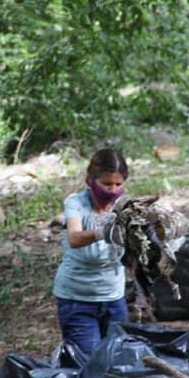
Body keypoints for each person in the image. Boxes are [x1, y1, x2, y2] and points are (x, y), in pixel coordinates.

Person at [53, 148, 130, 356]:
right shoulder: (76, 203)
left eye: (118, 184)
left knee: (118, 359)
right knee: (86, 363)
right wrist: (103, 231)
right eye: (106, 184)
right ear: (90, 180)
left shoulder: (125, 207)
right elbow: (75, 238)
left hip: (113, 297)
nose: (113, 190)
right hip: (77, 299)